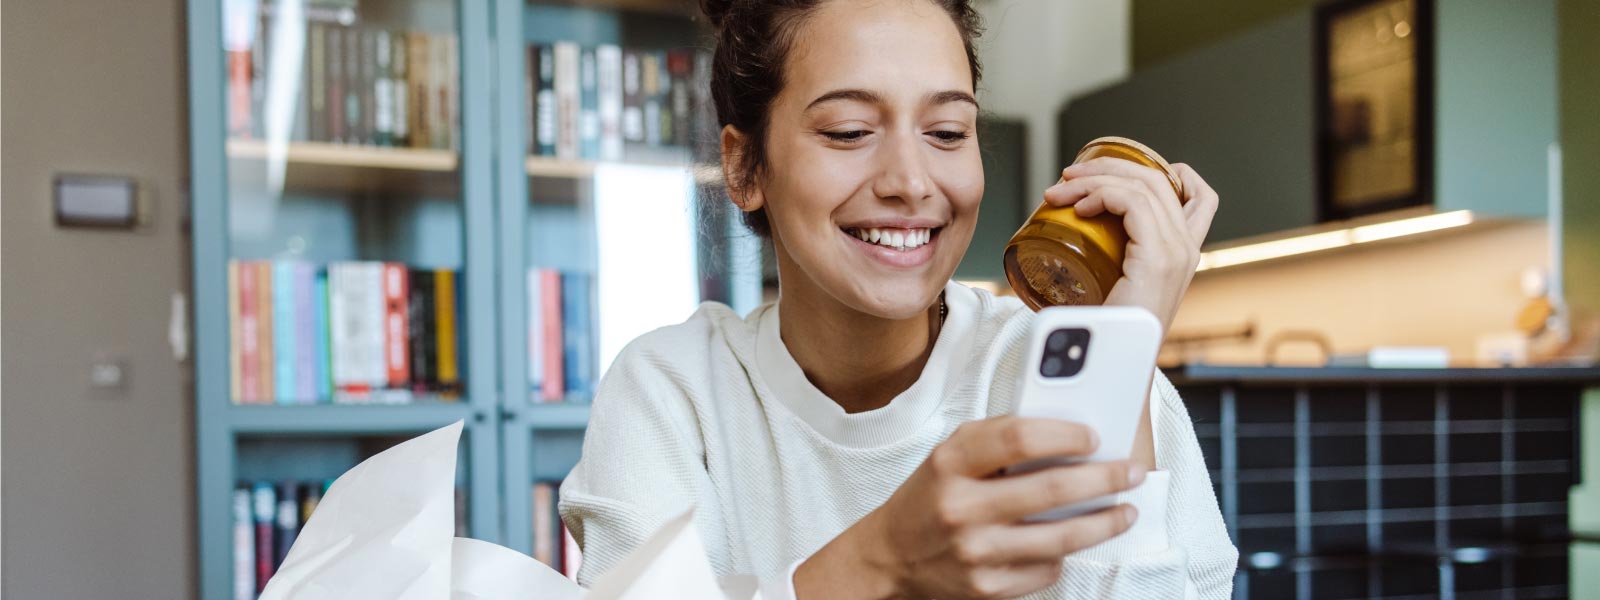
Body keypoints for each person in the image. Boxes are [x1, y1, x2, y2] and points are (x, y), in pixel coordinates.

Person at [558, 0, 1237, 597]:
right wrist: (882, 560)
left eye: (946, 133)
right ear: (743, 166)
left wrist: (1117, 364)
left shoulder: (1077, 371)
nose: (911, 182)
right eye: (850, 130)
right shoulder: (671, 392)